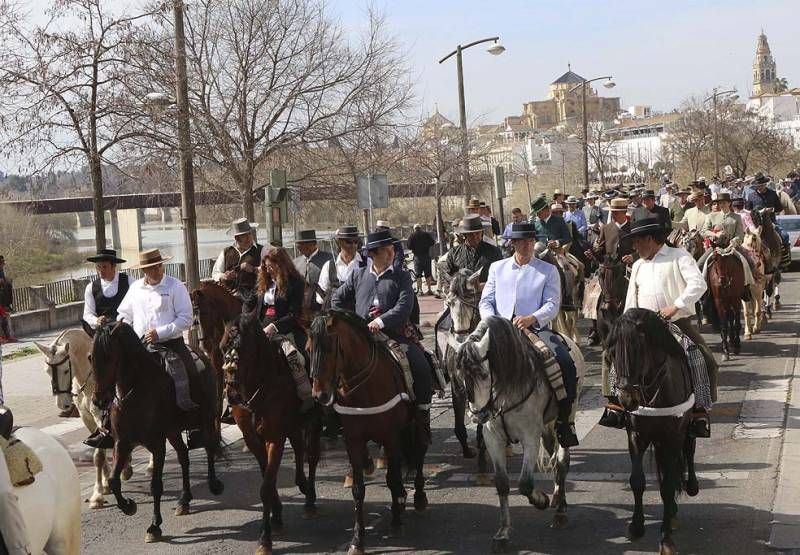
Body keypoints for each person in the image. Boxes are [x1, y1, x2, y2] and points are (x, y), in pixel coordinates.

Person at [604, 218, 716, 436]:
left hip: (675, 323)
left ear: (650, 239)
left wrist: (675, 306)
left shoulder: (679, 257)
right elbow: (631, 300)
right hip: (640, 327)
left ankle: (699, 411)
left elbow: (698, 284)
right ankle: (615, 404)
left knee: (705, 359)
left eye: (637, 242)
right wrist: (625, 324)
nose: (634, 247)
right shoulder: (637, 265)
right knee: (610, 353)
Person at [478, 222, 579, 448]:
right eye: (522, 241)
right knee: (471, 360)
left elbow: (553, 304)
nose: (527, 245)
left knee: (564, 360)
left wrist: (532, 318)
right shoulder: (497, 267)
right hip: (499, 329)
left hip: (535, 329)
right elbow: (486, 300)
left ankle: (566, 420)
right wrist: (492, 321)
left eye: (530, 241)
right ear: (513, 243)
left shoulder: (548, 270)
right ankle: (478, 411)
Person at [85, 249, 198, 449]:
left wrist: (160, 332)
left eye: (157, 266)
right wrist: (121, 328)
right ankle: (109, 427)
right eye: (149, 268)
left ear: (162, 265)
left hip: (170, 343)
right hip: (140, 348)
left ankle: (195, 421)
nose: (154, 270)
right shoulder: (136, 288)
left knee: (189, 369)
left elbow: (186, 318)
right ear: (144, 269)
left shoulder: (175, 286)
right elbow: (123, 313)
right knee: (114, 377)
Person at [331, 229, 433, 439]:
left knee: (421, 364)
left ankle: (422, 411)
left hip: (396, 333)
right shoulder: (358, 275)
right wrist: (353, 322)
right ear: (372, 254)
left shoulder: (402, 276)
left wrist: (381, 320)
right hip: (363, 336)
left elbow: (404, 306)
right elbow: (336, 300)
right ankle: (333, 414)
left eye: (391, 249)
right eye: (386, 250)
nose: (392, 253)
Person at [243, 247, 313, 412]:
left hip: (286, 327)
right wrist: (245, 318)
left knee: (297, 357)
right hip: (260, 328)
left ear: (282, 264)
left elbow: (294, 313)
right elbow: (249, 301)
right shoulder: (263, 280)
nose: (268, 270)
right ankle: (238, 397)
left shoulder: (296, 282)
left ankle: (307, 396)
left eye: (271, 266)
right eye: (266, 267)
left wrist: (274, 327)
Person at [697, 192, 757, 300]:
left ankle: (745, 288)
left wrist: (734, 241)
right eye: (720, 203)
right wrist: (715, 234)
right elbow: (703, 231)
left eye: (724, 202)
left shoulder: (736, 217)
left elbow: (740, 234)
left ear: (729, 203)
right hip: (715, 247)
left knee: (750, 263)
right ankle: (703, 291)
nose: (722, 205)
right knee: (699, 264)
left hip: (732, 246)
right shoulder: (711, 216)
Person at [211, 218, 265, 301]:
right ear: (237, 238)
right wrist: (224, 276)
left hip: (253, 297)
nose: (248, 237)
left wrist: (253, 269)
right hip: (228, 297)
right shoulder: (226, 252)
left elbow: (269, 271)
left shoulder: (261, 251)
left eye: (249, 233)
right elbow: (215, 273)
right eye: (244, 235)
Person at [444, 214, 502, 286]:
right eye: (471, 234)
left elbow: (501, 277)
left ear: (482, 233)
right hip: (462, 295)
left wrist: (484, 286)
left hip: (486, 294)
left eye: (477, 233)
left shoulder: (494, 251)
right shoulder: (454, 253)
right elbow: (447, 277)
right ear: (465, 235)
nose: (475, 237)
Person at [82, 249, 129, 331]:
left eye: (104, 267)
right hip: (103, 332)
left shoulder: (129, 282)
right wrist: (97, 320)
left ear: (114, 266)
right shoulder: (91, 287)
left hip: (125, 329)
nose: (100, 270)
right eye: (98, 267)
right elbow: (87, 314)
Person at [318, 225, 365, 304]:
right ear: (340, 243)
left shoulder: (368, 263)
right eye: (349, 242)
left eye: (356, 242)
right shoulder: (329, 266)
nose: (353, 245)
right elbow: (321, 294)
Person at [293, 229, 337, 313]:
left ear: (313, 244)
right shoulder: (295, 263)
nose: (300, 248)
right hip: (301, 308)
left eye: (303, 244)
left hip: (322, 305)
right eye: (298, 245)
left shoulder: (329, 260)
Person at [407, 224, 436, 295]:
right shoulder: (426, 234)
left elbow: (409, 246)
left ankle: (420, 290)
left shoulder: (412, 236)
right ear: (420, 228)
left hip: (417, 257)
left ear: (414, 229)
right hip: (426, 256)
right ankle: (429, 290)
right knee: (428, 274)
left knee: (418, 275)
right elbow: (432, 242)